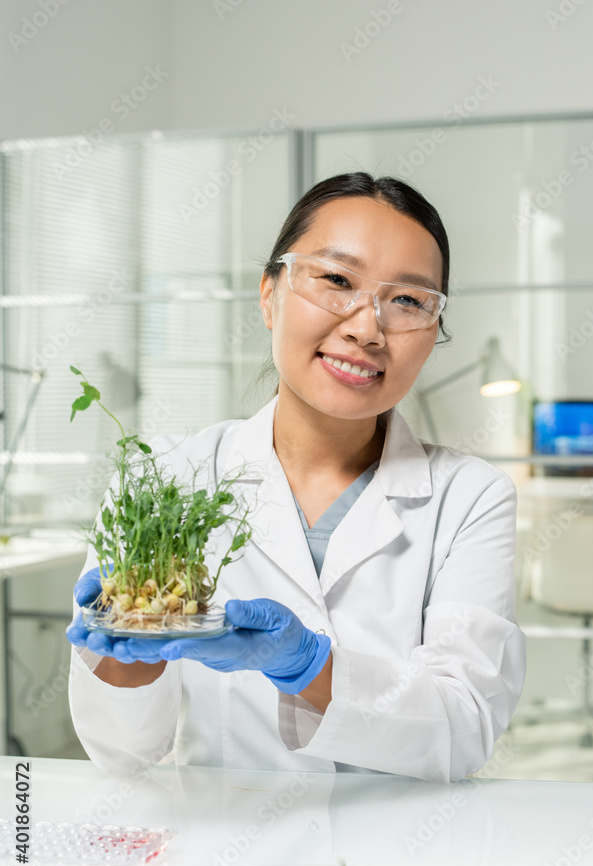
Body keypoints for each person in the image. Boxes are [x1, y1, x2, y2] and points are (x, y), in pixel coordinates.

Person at [66, 171, 526, 781]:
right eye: (336, 280)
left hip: (401, 858)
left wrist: (308, 666)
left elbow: (464, 729)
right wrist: (129, 642)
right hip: (220, 852)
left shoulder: (469, 498)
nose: (367, 328)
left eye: (409, 301)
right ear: (269, 295)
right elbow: (121, 753)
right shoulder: (164, 477)